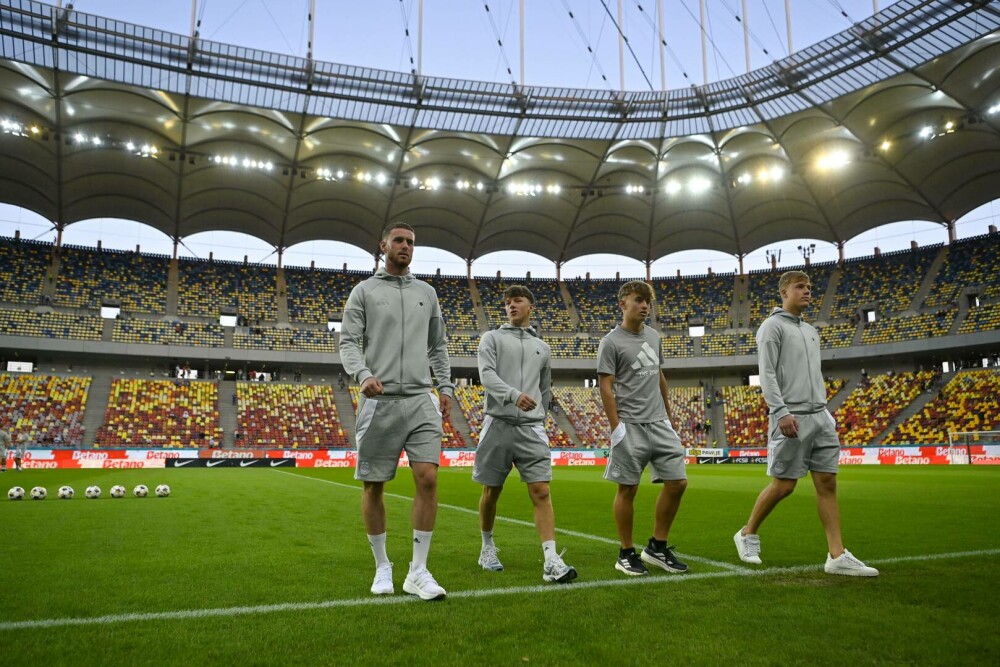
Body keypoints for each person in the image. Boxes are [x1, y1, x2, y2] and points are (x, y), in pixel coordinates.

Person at [734, 271, 878, 577]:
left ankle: (836, 555)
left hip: (820, 415)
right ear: (784, 292)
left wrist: (825, 411)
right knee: (784, 485)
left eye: (810, 287)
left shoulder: (811, 331)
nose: (807, 291)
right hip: (791, 415)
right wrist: (780, 410)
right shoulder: (771, 327)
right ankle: (747, 533)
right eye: (801, 287)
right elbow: (767, 373)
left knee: (827, 484)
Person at [340, 222, 454, 601]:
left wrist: (446, 386)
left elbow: (438, 346)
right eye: (399, 241)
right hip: (380, 401)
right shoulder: (364, 291)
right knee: (374, 485)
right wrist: (363, 374)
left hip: (422, 398)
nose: (405, 246)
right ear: (384, 245)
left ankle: (418, 571)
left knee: (428, 479)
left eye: (411, 242)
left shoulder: (427, 292)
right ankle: (382, 566)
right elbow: (348, 342)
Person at [474, 285, 577, 583]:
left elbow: (544, 388)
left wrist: (539, 415)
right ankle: (487, 546)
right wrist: (513, 395)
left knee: (542, 491)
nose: (511, 306)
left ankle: (551, 560)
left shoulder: (542, 348)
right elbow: (487, 376)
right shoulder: (491, 338)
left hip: (531, 427)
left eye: (517, 301)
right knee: (492, 491)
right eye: (507, 302)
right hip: (498, 423)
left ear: (531, 306)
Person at [598, 281, 689, 577]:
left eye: (647, 300)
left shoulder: (653, 335)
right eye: (638, 300)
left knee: (678, 482)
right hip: (630, 425)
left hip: (659, 422)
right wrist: (616, 428)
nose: (645, 305)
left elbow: (659, 375)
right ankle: (626, 553)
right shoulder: (610, 342)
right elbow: (606, 386)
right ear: (623, 304)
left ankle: (657, 548)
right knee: (629, 488)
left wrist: (670, 415)